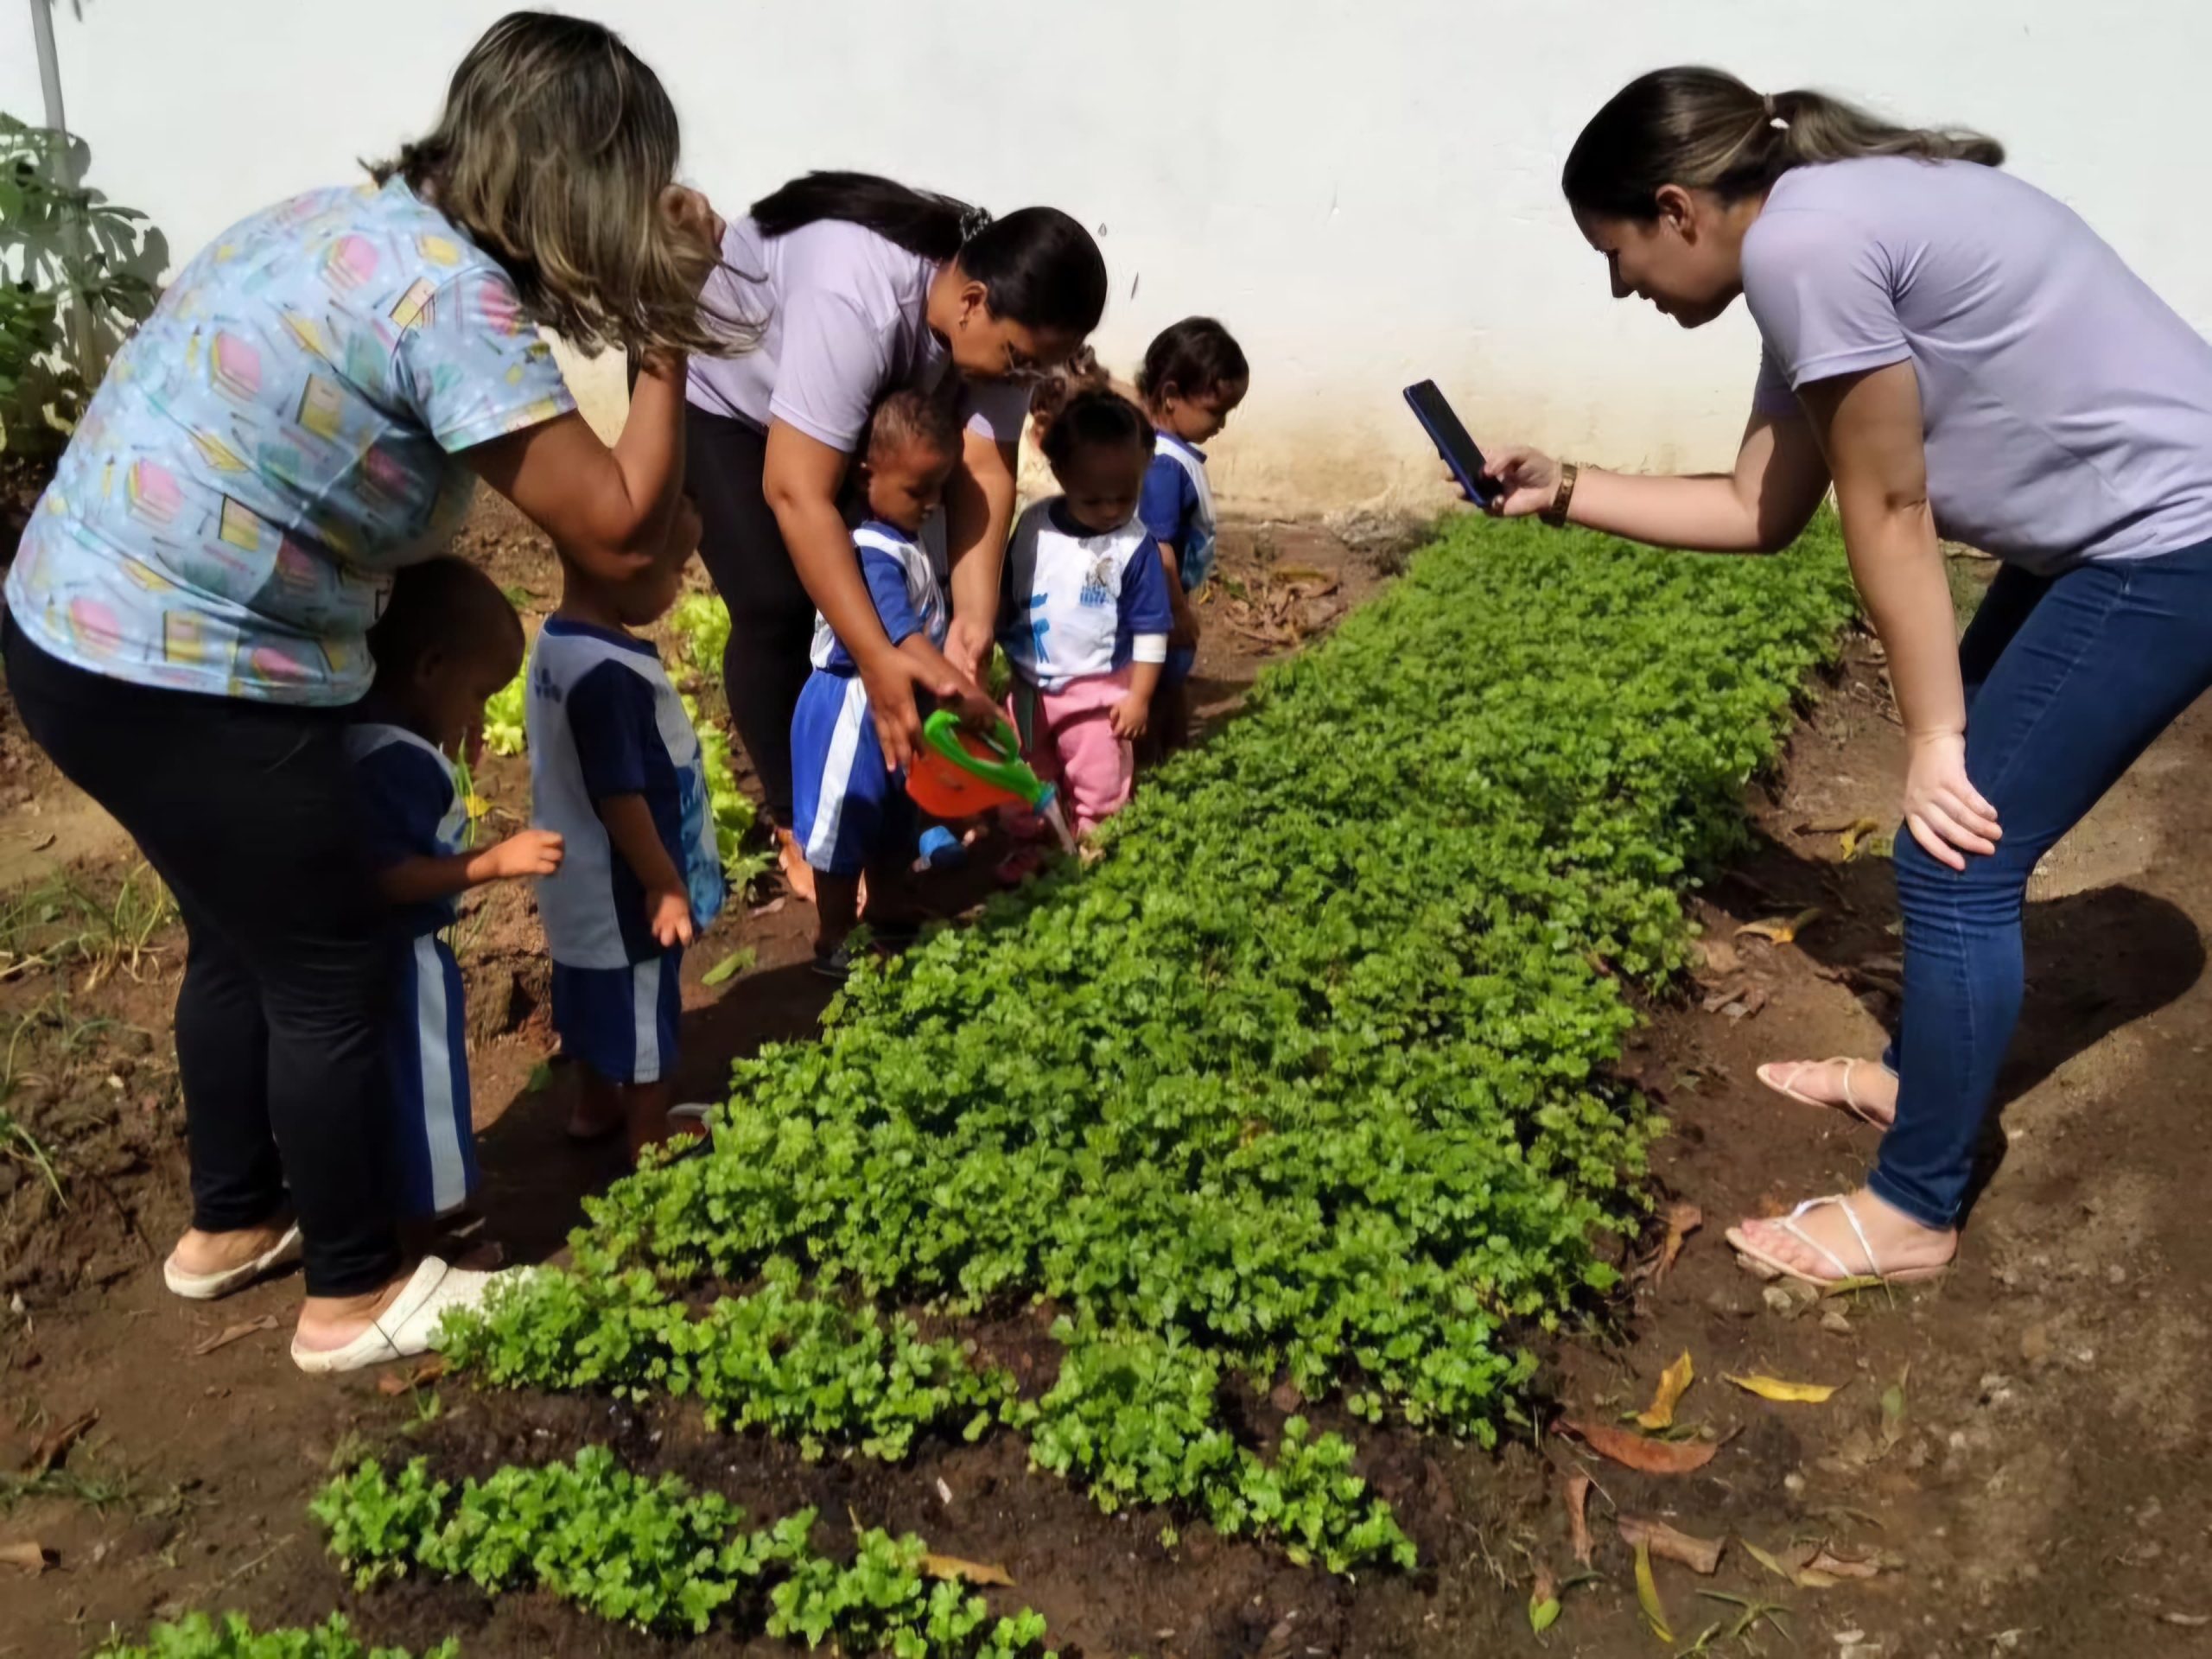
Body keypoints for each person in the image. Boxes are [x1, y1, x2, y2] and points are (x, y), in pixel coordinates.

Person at [1, 11, 738, 1370]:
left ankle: (233, 1225)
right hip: (186, 666)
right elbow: (625, 535)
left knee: (244, 938)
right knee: (330, 958)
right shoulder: (445, 297)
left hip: (73, 633)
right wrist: (667, 322)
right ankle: (355, 1295)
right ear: (579, 181)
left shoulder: (343, 224)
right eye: (631, 190)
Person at [1471, 67, 2212, 1288]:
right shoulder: (1815, 230)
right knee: (1952, 815)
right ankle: (1927, 1086)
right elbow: (1763, 507)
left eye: (1618, 255)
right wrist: (1565, 490)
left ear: (1678, 209)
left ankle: (1917, 1209)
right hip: (2107, 533)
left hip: (2165, 543)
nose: (1622, 288)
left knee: (1951, 849)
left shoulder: (1805, 248)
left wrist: (1932, 733)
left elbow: (1891, 505)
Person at [683, 172, 1108, 899]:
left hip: (835, 412)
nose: (1025, 377)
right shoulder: (860, 299)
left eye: (1037, 365)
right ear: (973, 304)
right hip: (721, 395)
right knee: (781, 606)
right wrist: (878, 659)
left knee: (917, 593)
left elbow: (984, 465)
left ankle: (898, 793)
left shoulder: (994, 323)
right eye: (1018, 360)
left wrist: (970, 626)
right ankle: (799, 821)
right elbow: (796, 491)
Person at [347, 559, 563, 1242]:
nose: (480, 715)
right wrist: (492, 861)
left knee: (391, 1093)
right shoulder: (397, 763)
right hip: (403, 959)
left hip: (359, 960)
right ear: (431, 667)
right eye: (478, 694)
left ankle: (400, 1209)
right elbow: (387, 875)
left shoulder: (368, 732)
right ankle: (444, 1222)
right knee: (428, 1085)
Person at [527, 502, 725, 1160]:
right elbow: (620, 796)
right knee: (646, 1012)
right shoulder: (610, 677)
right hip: (626, 888)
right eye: (675, 568)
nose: (679, 583)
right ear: (625, 566)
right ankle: (651, 1139)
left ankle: (593, 1104)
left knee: (586, 993)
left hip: (574, 882)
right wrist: (663, 882)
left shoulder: (558, 641)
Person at [790, 391, 963, 977]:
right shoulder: (865, 548)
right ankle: (833, 933)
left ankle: (888, 908)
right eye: (919, 490)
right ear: (869, 476)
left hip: (893, 708)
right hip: (848, 707)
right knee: (844, 822)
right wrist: (956, 684)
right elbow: (899, 633)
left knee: (896, 818)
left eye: (939, 488)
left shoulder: (904, 543)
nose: (934, 503)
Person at [998, 389, 1174, 837]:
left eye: (1125, 497)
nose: (1111, 511)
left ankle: (1098, 847)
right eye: (1094, 501)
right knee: (1026, 776)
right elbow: (1009, 595)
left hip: (1099, 696)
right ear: (1061, 473)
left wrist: (1139, 698)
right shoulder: (1034, 526)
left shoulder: (1134, 548)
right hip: (1029, 690)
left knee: (1100, 783)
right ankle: (1034, 847)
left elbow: (1152, 631)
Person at [1136, 317, 1249, 758]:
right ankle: (1155, 762)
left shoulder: (1175, 455)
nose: (1221, 424)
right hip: (1159, 604)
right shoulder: (1165, 466)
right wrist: (1178, 613)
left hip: (1169, 599)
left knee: (1173, 676)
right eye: (1215, 410)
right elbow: (1159, 547)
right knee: (1159, 681)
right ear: (1170, 396)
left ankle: (1172, 754)